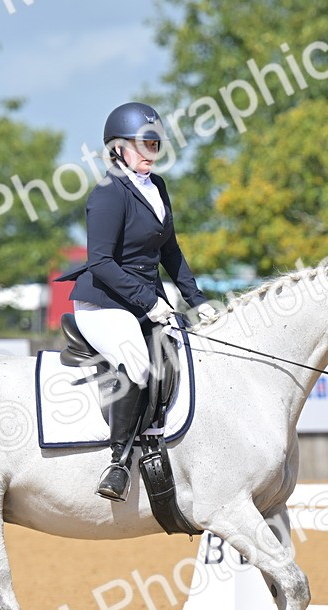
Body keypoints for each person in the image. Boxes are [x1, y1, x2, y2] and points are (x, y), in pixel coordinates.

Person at [55, 101, 218, 502]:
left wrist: (197, 300)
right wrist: (149, 302)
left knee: (187, 354)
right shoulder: (108, 193)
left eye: (156, 143)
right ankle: (118, 461)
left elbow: (171, 252)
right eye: (145, 143)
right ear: (118, 148)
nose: (151, 151)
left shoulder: (157, 187)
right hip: (104, 303)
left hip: (144, 301)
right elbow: (101, 262)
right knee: (138, 362)